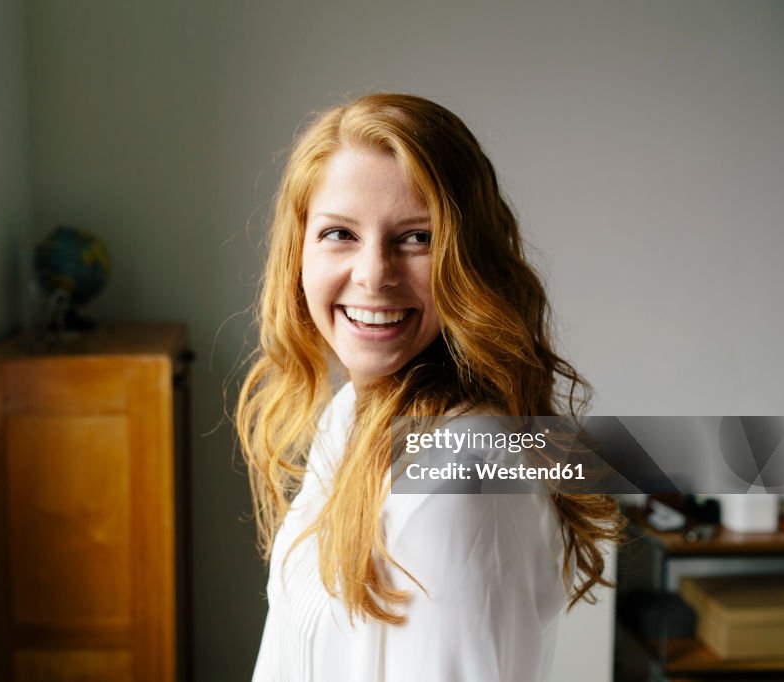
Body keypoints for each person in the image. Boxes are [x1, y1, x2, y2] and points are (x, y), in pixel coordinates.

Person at [235, 93, 623, 681]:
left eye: (417, 237)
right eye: (340, 233)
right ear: (299, 251)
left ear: (469, 259)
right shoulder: (352, 415)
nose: (373, 274)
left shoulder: (458, 478)